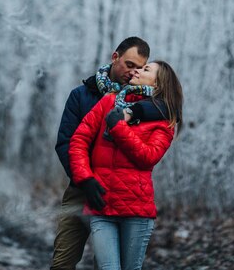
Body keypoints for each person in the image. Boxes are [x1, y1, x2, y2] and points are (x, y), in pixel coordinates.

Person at [51, 37, 168, 270]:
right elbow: (67, 142)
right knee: (63, 261)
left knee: (106, 264)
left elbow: (166, 107)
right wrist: (85, 180)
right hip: (81, 187)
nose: (132, 72)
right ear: (115, 58)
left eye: (139, 68)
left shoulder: (142, 102)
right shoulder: (82, 95)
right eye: (130, 64)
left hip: (118, 194)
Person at [69, 60, 183, 270]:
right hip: (101, 206)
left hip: (136, 211)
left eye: (146, 69)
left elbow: (148, 157)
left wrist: (118, 127)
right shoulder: (109, 102)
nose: (137, 70)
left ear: (158, 84)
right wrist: (85, 178)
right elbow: (79, 141)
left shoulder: (164, 121)